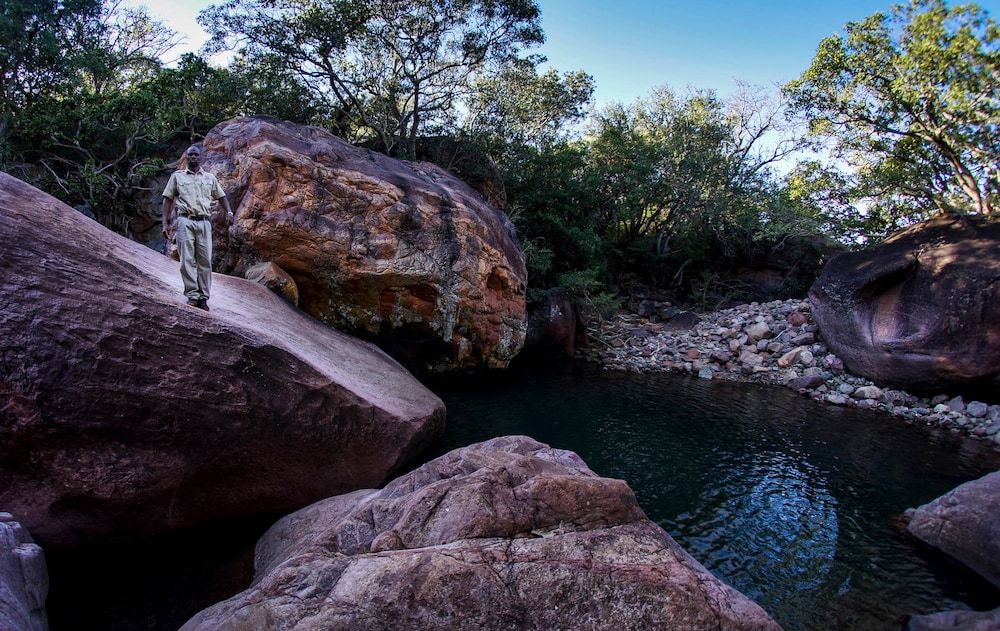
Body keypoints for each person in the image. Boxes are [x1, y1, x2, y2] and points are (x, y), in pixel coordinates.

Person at [161, 145, 233, 311]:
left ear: (201, 158)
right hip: (185, 220)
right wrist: (164, 223)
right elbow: (167, 199)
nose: (193, 157)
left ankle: (204, 297)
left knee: (205, 260)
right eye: (190, 155)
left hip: (204, 222)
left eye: (196, 155)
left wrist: (229, 211)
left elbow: (221, 196)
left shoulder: (209, 178)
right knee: (187, 259)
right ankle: (193, 295)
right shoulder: (177, 177)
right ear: (187, 158)